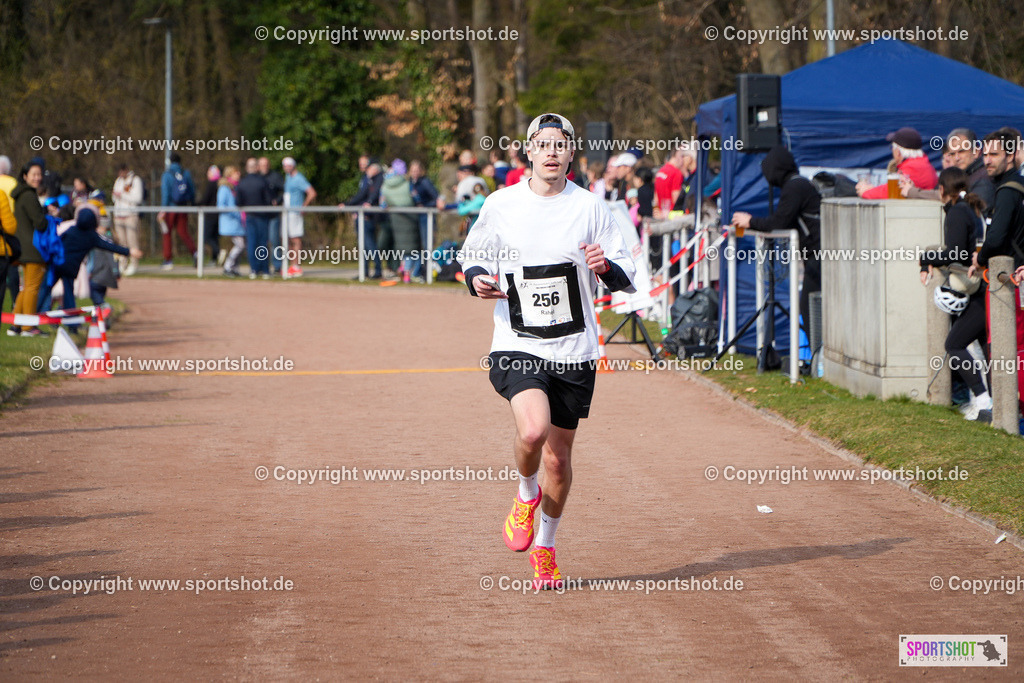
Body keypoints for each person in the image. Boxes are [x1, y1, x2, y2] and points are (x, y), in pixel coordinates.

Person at [460, 112, 637, 590]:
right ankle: (524, 492)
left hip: (574, 350)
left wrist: (605, 269)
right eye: (544, 144)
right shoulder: (501, 203)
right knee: (533, 430)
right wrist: (477, 278)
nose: (552, 152)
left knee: (559, 460)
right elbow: (472, 254)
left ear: (571, 153)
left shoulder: (592, 207)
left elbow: (626, 271)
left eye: (561, 144)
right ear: (529, 152)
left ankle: (546, 548)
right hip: (517, 342)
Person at [731, 145, 822, 344]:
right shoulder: (798, 185)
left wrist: (750, 222)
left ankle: (818, 357)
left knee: (809, 307)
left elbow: (779, 222)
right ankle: (818, 356)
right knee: (811, 306)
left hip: (818, 257)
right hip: (816, 256)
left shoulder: (795, 187)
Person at [920, 167, 989, 421]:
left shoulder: (959, 211)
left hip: (978, 287)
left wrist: (924, 258)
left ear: (942, 190)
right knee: (984, 348)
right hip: (982, 286)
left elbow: (956, 254)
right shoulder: (971, 208)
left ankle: (983, 402)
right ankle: (988, 405)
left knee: (954, 344)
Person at [53, 203, 140, 316]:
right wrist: (129, 252)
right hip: (71, 269)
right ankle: (72, 322)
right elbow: (110, 247)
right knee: (68, 295)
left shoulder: (71, 229)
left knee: (47, 290)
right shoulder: (91, 236)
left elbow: (57, 241)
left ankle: (37, 315)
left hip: (56, 264)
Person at [9, 161, 48, 337]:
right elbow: (39, 223)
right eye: (34, 174)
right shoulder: (29, 196)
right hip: (34, 248)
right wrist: (48, 216)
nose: (37, 178)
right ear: (25, 176)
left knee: (25, 288)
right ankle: (28, 327)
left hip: (23, 247)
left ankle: (16, 325)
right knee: (32, 288)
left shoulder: (20, 194)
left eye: (39, 174)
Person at [856, 127, 938, 198]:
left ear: (898, 152)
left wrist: (866, 192)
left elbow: (891, 191)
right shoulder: (922, 164)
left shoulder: (913, 167)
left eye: (892, 147)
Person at [380, 159, 419, 282]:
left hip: (395, 219)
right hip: (410, 218)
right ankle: (407, 272)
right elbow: (416, 198)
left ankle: (402, 268)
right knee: (412, 248)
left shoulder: (385, 185)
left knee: (401, 247)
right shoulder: (407, 183)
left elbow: (382, 203)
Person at [344, 161, 385, 278]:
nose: (366, 170)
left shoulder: (379, 179)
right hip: (363, 215)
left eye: (369, 167)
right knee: (364, 246)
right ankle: (365, 271)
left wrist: (369, 203)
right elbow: (361, 195)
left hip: (369, 217)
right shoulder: (368, 179)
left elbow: (373, 195)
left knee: (370, 245)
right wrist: (348, 205)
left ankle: (377, 271)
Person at [235, 157, 273, 279]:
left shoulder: (242, 183)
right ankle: (265, 270)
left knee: (251, 243)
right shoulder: (263, 182)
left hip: (250, 216)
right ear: (256, 168)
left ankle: (254, 270)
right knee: (262, 243)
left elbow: (238, 202)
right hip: (262, 216)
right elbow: (268, 200)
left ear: (247, 168)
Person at [159, 152, 197, 270]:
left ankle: (168, 259)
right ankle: (195, 253)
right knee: (183, 232)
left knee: (167, 233)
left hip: (170, 208)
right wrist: (191, 203)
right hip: (182, 207)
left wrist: (163, 209)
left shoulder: (167, 174)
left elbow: (165, 193)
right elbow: (192, 191)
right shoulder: (186, 173)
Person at [282, 157, 316, 277]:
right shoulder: (288, 177)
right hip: (287, 212)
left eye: (288, 165)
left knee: (296, 239)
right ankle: (291, 265)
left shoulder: (299, 178)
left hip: (295, 213)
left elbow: (311, 192)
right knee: (288, 239)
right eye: (285, 166)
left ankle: (296, 266)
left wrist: (303, 206)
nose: (286, 168)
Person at [112, 163, 144, 276]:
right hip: (118, 215)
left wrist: (122, 195)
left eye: (122, 171)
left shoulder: (135, 180)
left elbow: (137, 198)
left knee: (132, 241)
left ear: (126, 170)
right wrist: (118, 195)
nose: (120, 174)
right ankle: (122, 263)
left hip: (130, 215)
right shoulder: (118, 181)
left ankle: (134, 263)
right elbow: (114, 197)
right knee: (121, 242)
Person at [409, 160, 438, 280]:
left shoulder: (425, 182)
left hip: (427, 217)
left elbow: (436, 198)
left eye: (417, 170)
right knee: (419, 246)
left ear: (421, 171)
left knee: (428, 245)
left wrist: (425, 205)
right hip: (417, 217)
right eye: (413, 170)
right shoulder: (410, 182)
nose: (415, 173)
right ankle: (418, 271)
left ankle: (427, 273)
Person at [87, 214, 122, 306]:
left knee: (92, 291)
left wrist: (116, 272)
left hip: (99, 274)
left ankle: (104, 306)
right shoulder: (104, 239)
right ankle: (101, 317)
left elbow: (113, 258)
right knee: (98, 297)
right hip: (103, 276)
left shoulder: (106, 241)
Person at [217, 166, 245, 277]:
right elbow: (221, 206)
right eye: (235, 173)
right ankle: (227, 267)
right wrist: (235, 212)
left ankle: (234, 268)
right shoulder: (224, 188)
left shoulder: (236, 188)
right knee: (240, 245)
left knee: (242, 245)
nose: (238, 175)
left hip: (238, 223)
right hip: (230, 222)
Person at [259, 157, 285, 275]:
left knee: (274, 240)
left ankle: (277, 266)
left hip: (273, 214)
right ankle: (261, 266)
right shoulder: (256, 178)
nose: (264, 167)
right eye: (262, 165)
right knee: (261, 242)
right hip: (259, 215)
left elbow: (284, 191)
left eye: (266, 164)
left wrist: (278, 200)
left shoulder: (275, 177)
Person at [655, 148, 695, 215]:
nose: (683, 160)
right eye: (682, 156)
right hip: (672, 215)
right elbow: (676, 198)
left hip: (661, 212)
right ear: (677, 156)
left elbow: (656, 197)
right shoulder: (676, 173)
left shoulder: (660, 171)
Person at [197, 165, 222, 267]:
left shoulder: (211, 184)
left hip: (211, 215)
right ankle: (214, 259)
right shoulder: (220, 184)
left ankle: (218, 252)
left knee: (207, 237)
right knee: (215, 238)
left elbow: (205, 199)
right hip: (218, 215)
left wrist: (195, 204)